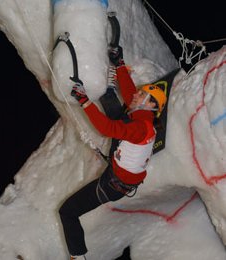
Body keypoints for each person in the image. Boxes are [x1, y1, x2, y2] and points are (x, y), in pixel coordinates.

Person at [59, 46, 167, 260]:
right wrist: (119, 64)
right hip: (119, 175)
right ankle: (109, 87)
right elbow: (129, 96)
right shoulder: (143, 120)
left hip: (112, 184)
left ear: (151, 105)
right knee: (121, 113)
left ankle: (78, 257)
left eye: (143, 95)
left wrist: (85, 101)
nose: (137, 95)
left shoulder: (140, 128)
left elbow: (107, 128)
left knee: (68, 212)